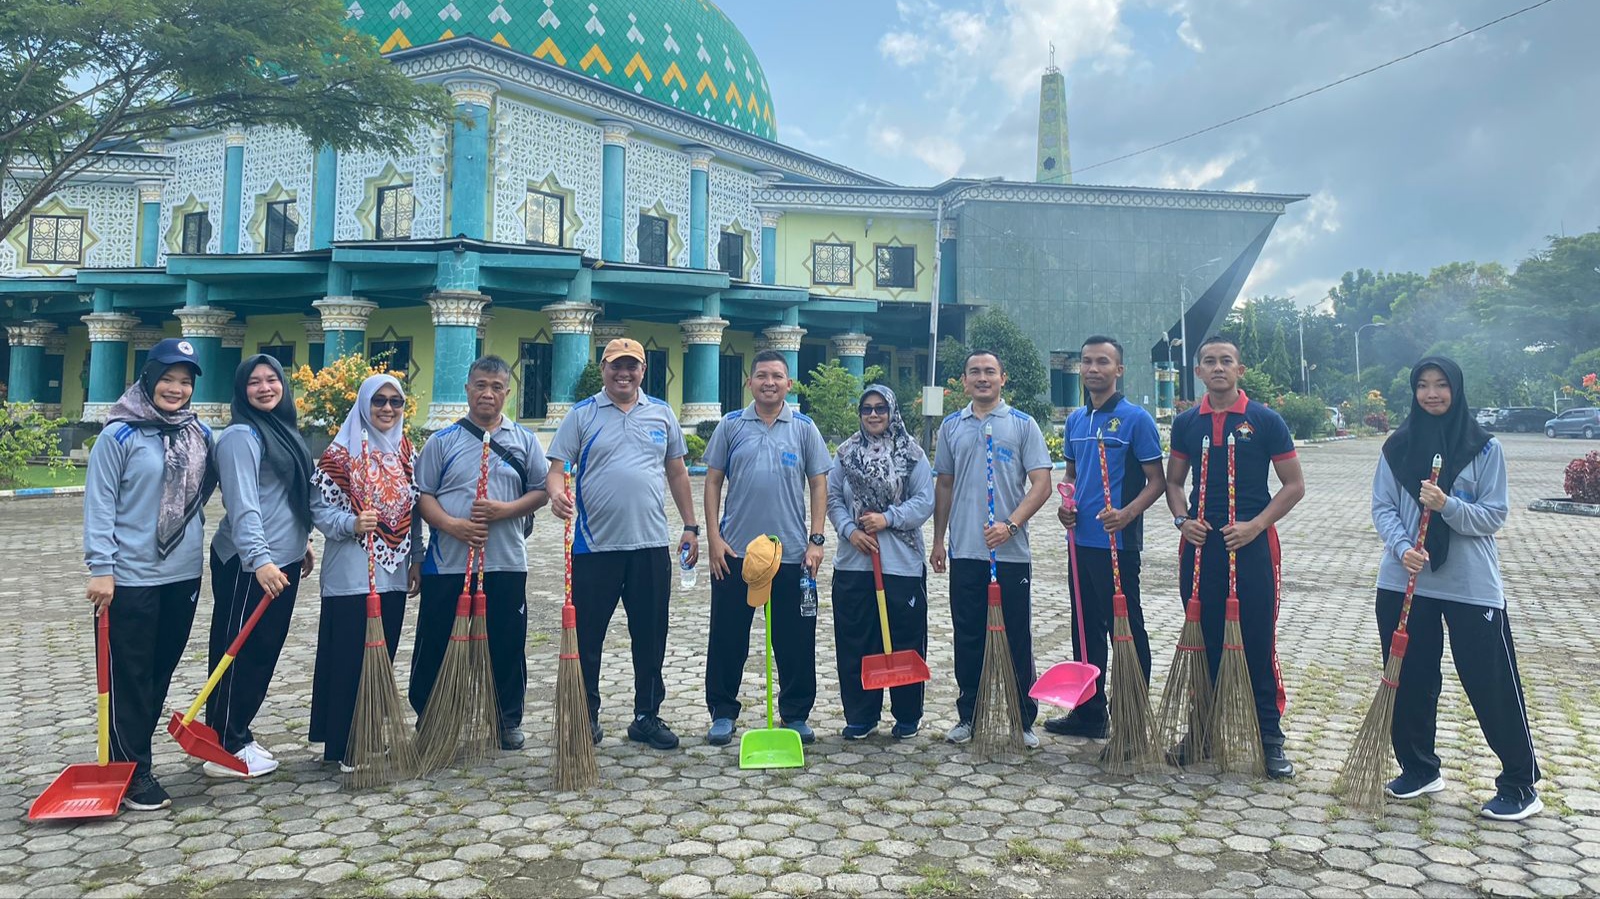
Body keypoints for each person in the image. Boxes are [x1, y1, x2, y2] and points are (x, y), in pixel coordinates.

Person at [1371, 357, 1540, 821]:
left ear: (1456, 390)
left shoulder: (1484, 449)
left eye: (1441, 385)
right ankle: (1419, 768)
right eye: (1422, 385)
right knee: (1410, 680)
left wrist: (1447, 506)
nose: (1431, 394)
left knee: (1490, 682)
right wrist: (1402, 545)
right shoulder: (1397, 447)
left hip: (1469, 585)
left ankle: (1520, 783)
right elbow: (1383, 506)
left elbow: (1493, 515)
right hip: (1404, 580)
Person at [548, 338, 700, 751]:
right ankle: (585, 717)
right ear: (603, 369)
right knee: (588, 637)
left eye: (632, 366)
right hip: (595, 548)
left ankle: (646, 716)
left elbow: (678, 474)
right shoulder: (581, 415)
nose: (624, 373)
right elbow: (557, 468)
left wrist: (691, 525)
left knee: (650, 636)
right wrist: (556, 494)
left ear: (643, 370)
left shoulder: (662, 414)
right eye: (617, 366)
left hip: (650, 545)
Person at [1164, 335, 1304, 779]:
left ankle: (1269, 739)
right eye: (1209, 361)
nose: (1218, 367)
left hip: (1253, 547)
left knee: (1258, 642)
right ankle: (1201, 734)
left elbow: (1294, 485)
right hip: (1201, 549)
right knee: (1200, 638)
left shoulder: (1265, 420)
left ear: (1240, 370)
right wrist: (1183, 519)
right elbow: (1172, 483)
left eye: (1226, 361)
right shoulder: (1187, 422)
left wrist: (1255, 525)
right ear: (1199, 372)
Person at [83, 338, 214, 809]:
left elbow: (217, 490)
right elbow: (99, 505)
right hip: (130, 576)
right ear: (148, 377)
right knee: (130, 676)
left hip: (182, 575)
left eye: (185, 381)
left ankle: (134, 757)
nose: (176, 389)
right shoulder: (118, 436)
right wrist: (101, 568)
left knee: (158, 674)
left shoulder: (200, 434)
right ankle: (132, 772)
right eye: (168, 378)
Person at [412, 356, 548, 751]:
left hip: (505, 561)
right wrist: (453, 526)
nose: (488, 393)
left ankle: (505, 718)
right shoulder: (441, 441)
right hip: (449, 563)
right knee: (436, 641)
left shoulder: (524, 441)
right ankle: (432, 717)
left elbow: (540, 490)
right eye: (480, 385)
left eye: (497, 387)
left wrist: (505, 511)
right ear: (468, 388)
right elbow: (423, 496)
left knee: (506, 643)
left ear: (507, 392)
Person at [702, 350, 831, 746]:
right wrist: (713, 539)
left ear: (789, 384)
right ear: (750, 382)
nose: (769, 382)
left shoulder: (805, 429)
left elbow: (819, 484)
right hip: (735, 554)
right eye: (761, 375)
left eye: (777, 376)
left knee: (794, 640)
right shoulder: (730, 426)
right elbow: (711, 482)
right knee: (728, 637)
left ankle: (795, 713)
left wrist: (816, 540)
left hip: (791, 554)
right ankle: (723, 712)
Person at [1044, 337, 1166, 744]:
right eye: (1086, 362)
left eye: (1102, 362)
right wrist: (1066, 504)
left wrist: (1127, 513)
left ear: (1119, 370)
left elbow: (1157, 481)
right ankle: (1089, 712)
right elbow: (1072, 477)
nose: (1093, 368)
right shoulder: (1077, 420)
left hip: (1119, 544)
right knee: (1084, 628)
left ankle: (1132, 719)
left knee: (1126, 629)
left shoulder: (1136, 420)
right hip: (1080, 543)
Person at [931, 350, 1054, 747]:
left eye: (989, 372)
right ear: (964, 381)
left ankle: (1023, 719)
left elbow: (1041, 484)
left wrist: (1011, 525)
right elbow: (944, 485)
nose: (982, 378)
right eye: (974, 373)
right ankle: (969, 715)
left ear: (1003, 378)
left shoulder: (1022, 425)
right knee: (968, 636)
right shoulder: (952, 426)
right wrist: (938, 539)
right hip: (966, 550)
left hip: (1010, 553)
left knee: (1016, 636)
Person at [206, 354, 317, 778]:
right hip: (248, 564)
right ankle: (224, 743)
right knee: (238, 648)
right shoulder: (240, 436)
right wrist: (261, 561)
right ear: (242, 390)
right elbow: (243, 506)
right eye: (255, 382)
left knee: (263, 651)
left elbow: (287, 494)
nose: (265, 387)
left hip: (280, 560)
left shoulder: (283, 431)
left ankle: (237, 731)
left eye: (273, 379)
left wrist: (300, 541)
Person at [309, 375, 422, 768]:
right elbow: (320, 510)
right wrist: (351, 524)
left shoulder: (406, 452)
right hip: (351, 574)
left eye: (395, 402)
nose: (388, 409)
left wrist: (417, 559)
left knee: (381, 656)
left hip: (392, 574)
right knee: (348, 659)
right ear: (362, 405)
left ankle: (369, 735)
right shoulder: (339, 455)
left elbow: (416, 510)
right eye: (379, 401)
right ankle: (343, 745)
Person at [829, 384, 934, 739]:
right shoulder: (845, 453)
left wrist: (887, 518)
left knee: (906, 639)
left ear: (892, 411)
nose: (873, 415)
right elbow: (832, 498)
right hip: (854, 563)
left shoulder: (912, 454)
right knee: (856, 639)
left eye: (880, 408)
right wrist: (849, 530)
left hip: (901, 564)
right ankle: (861, 715)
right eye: (866, 409)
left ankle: (907, 715)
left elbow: (924, 501)